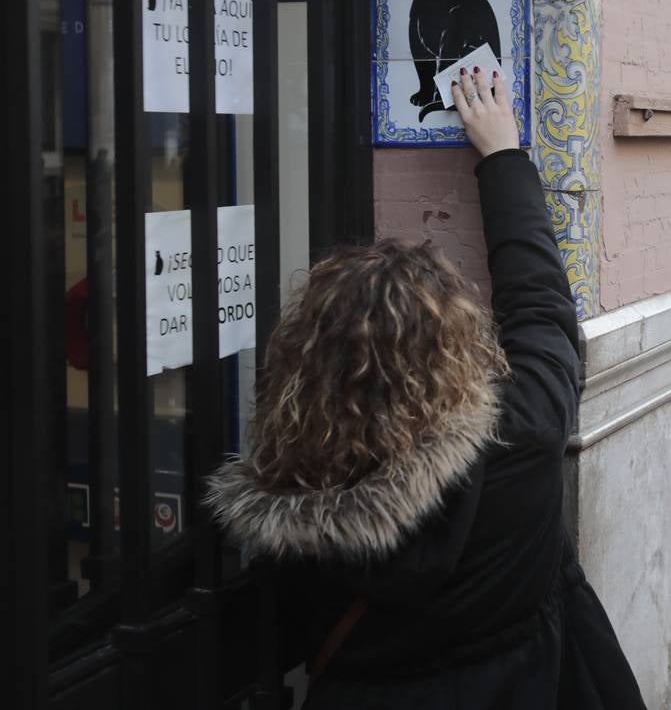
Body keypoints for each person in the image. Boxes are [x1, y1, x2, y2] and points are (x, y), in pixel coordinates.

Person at [205, 69, 645, 708]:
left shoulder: (295, 513)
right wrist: (503, 157)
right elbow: (541, 311)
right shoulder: (519, 439)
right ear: (453, 352)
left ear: (303, 373)